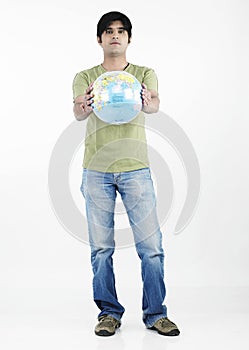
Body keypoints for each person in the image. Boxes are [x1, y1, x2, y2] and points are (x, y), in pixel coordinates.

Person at [72, 11, 180, 337]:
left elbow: (154, 105)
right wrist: (83, 107)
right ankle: (108, 313)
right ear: (99, 39)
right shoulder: (86, 75)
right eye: (108, 31)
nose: (115, 36)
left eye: (121, 31)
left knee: (151, 247)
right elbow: (78, 110)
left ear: (129, 38)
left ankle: (156, 314)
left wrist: (149, 102)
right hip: (96, 172)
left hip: (136, 170)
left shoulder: (144, 73)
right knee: (101, 249)